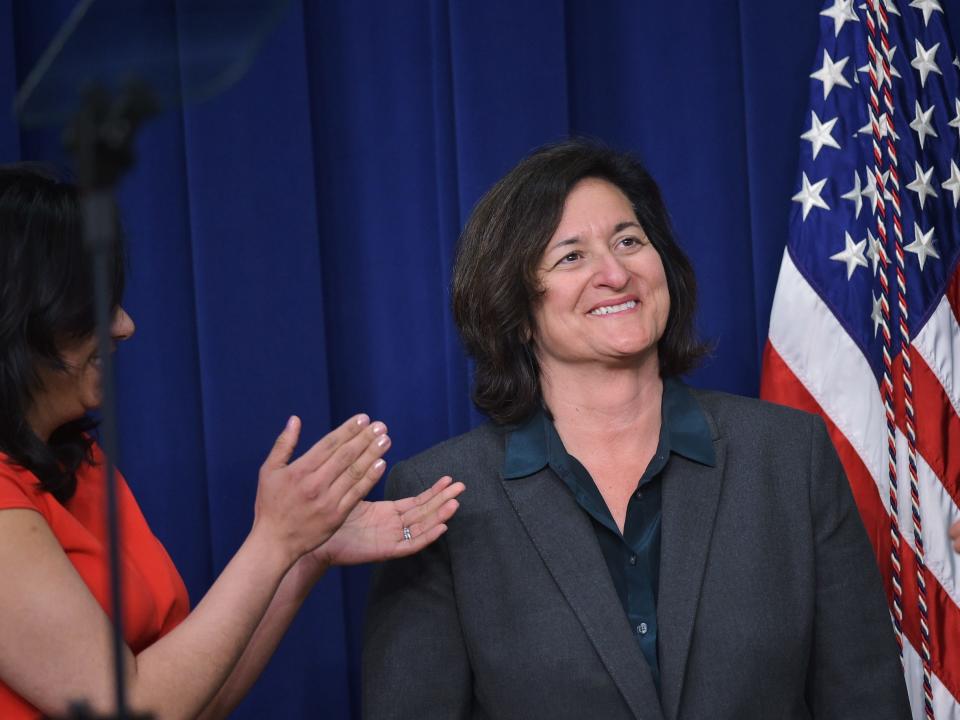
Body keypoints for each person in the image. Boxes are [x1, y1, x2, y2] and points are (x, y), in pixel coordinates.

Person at [362, 140, 909, 719]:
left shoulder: (788, 456)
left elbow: (865, 702)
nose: (616, 273)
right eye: (571, 257)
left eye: (629, 241)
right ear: (516, 312)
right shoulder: (438, 496)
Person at [0, 163, 465, 719]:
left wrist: (301, 551)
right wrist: (273, 539)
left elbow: (194, 697)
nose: (124, 326)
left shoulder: (79, 464)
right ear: (22, 317)